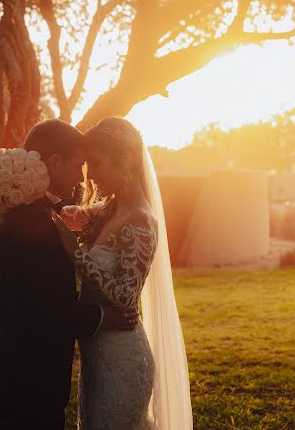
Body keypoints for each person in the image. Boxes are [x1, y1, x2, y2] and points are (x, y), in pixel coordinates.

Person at [0, 119, 138, 430]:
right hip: (27, 382)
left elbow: (43, 292)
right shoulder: (31, 222)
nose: (84, 175)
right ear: (54, 162)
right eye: (78, 164)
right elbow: (40, 313)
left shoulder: (34, 212)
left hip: (24, 376)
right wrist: (104, 317)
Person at [58, 117, 194, 429]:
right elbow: (88, 223)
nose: (90, 175)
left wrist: (75, 252)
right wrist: (76, 218)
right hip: (97, 356)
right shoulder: (111, 209)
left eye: (96, 163)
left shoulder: (141, 221)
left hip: (122, 357)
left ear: (125, 160)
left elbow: (125, 295)